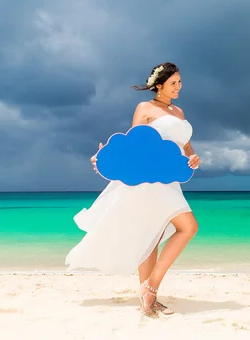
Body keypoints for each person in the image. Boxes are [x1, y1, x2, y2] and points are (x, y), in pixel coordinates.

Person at [65, 62, 200, 318]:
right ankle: (150, 287)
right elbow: (134, 144)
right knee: (188, 227)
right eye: (173, 83)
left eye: (180, 82)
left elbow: (186, 144)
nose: (178, 87)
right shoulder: (145, 108)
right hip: (149, 184)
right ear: (158, 85)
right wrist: (103, 157)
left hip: (170, 180)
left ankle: (148, 296)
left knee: (154, 236)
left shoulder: (180, 112)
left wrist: (193, 158)